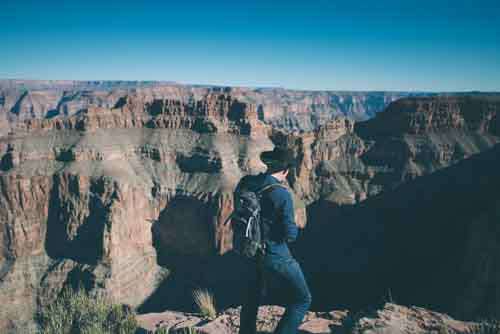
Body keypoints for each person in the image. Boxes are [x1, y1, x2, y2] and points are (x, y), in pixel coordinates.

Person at [235, 147, 312, 334]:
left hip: (250, 251)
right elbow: (290, 235)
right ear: (285, 171)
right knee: (302, 299)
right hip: (275, 254)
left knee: (251, 298)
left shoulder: (246, 183)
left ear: (268, 165)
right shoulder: (282, 194)